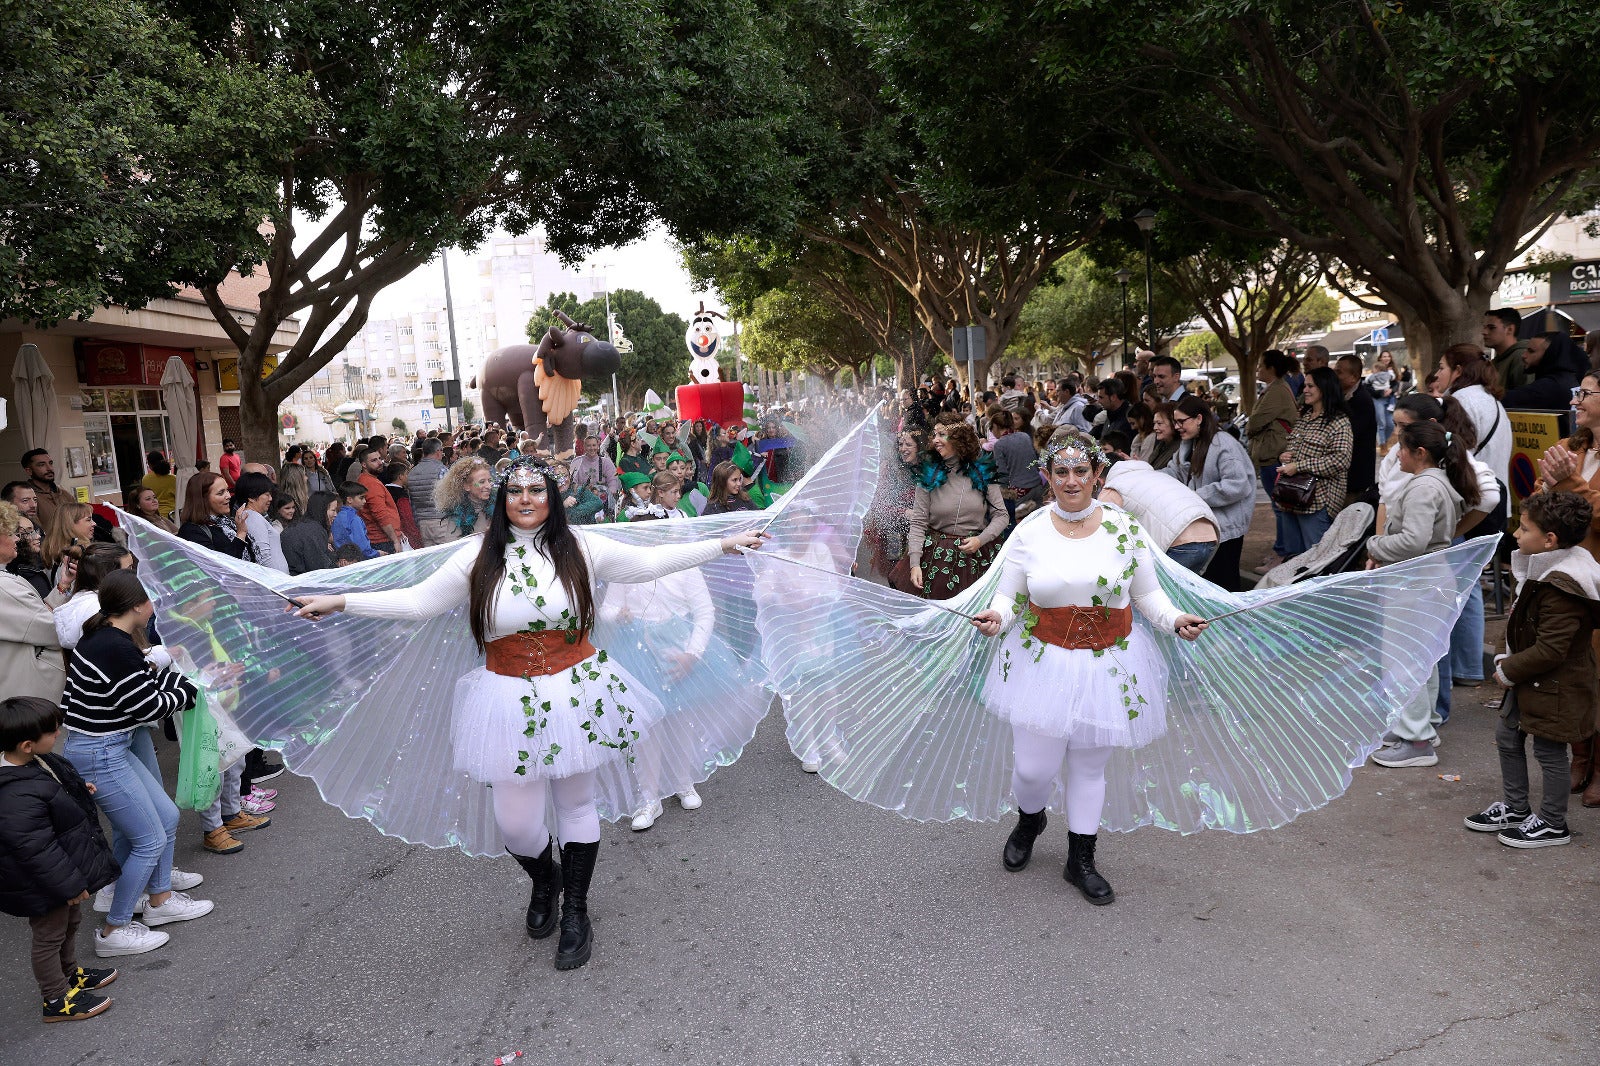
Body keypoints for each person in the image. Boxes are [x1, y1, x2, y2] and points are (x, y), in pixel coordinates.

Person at [288, 457, 765, 970]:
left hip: (576, 690)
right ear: (501, 498)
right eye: (515, 490)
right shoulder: (478, 555)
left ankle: (576, 909)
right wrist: (341, 601)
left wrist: (722, 544)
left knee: (576, 804)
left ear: (552, 497)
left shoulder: (579, 546)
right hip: (506, 696)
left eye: (537, 489)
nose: (526, 498)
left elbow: (647, 563)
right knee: (515, 824)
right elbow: (419, 602)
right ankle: (547, 880)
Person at [970, 431, 1208, 905]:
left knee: (1087, 767)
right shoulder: (1031, 529)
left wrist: (1174, 619)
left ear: (1098, 475)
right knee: (1034, 770)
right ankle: (1029, 817)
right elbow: (1010, 593)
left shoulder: (1124, 529)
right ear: (1048, 476)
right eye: (1062, 471)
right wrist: (998, 618)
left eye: (1082, 471)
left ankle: (1081, 858)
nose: (1072, 480)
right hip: (1043, 663)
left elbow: (1147, 594)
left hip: (1109, 665)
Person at [58, 570, 212, 958]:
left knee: (166, 818)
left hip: (108, 746)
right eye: (151, 600)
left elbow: (138, 687)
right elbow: (146, 707)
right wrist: (189, 689)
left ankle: (159, 901)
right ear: (137, 606)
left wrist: (172, 682)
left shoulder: (106, 638)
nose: (154, 606)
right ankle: (114, 930)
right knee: (149, 839)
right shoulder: (114, 646)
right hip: (99, 753)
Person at [1464, 492, 1600, 848]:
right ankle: (1516, 807)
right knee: (1508, 737)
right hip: (1528, 678)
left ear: (1549, 540)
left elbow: (1553, 649)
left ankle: (1554, 823)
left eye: (1524, 529)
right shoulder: (1541, 566)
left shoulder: (1563, 585)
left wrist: (1508, 669)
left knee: (1549, 751)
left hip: (1555, 685)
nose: (1517, 536)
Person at [0, 696, 121, 1023]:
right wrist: (68, 885)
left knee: (70, 923)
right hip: (42, 881)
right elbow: (34, 847)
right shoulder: (12, 794)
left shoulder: (35, 762)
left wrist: (80, 789)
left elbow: (54, 786)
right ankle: (55, 998)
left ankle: (69, 975)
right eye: (53, 732)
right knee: (49, 934)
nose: (59, 734)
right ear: (27, 744)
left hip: (60, 872)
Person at [1365, 421, 1478, 769]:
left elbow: (1413, 541)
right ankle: (1420, 728)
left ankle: (1416, 741)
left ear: (1420, 453)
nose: (1396, 453)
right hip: (1428, 579)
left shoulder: (1423, 488)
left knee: (1404, 661)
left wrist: (1375, 544)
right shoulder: (1436, 482)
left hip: (1416, 583)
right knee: (1422, 661)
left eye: (1401, 447)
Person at [1531, 370, 1600, 808]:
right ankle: (1581, 755)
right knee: (1573, 669)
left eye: (1586, 394)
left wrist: (1567, 485)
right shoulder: (1573, 448)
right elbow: (1546, 505)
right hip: (1565, 575)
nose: (1576, 401)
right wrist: (1547, 486)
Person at [906, 416, 1008, 600]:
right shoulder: (928, 475)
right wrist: (914, 563)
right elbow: (919, 522)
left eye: (942, 435)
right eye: (934, 434)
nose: (935, 439)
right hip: (934, 559)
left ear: (958, 438)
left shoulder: (982, 472)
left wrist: (981, 539)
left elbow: (1001, 515)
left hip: (975, 559)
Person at [1162, 395, 1255, 591]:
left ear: (1199, 419)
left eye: (1181, 421)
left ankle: (1232, 619)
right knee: (1210, 583)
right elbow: (1175, 471)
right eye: (1175, 422)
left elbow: (1237, 484)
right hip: (1209, 524)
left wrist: (1195, 496)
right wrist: (1148, 476)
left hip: (1227, 528)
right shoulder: (1190, 443)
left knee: (1225, 582)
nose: (1177, 427)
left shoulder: (1224, 444)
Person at [1100, 442, 1220, 576]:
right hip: (1209, 533)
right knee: (1183, 594)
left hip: (1180, 540)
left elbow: (1100, 532)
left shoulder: (1113, 486)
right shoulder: (1154, 475)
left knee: (1156, 594)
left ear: (1099, 480)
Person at [1277, 366, 1354, 558]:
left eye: (1310, 386)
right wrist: (1285, 456)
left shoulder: (1339, 421)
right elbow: (1294, 448)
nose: (1305, 390)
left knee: (1316, 561)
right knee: (1292, 559)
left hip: (1318, 503)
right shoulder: (1304, 418)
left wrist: (1299, 466)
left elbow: (1340, 460)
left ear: (1324, 387)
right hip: (1290, 498)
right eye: (1305, 385)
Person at [0, 501, 66, 701]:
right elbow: (55, 630)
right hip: (29, 697)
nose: (15, 539)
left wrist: (62, 586)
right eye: (11, 533)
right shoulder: (4, 587)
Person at [1248, 350, 1301, 574]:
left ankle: (1282, 553)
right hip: (1272, 453)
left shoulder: (1277, 390)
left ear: (1271, 368)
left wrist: (1252, 426)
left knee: (1280, 508)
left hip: (1274, 454)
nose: (1258, 369)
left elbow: (1255, 421)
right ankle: (1281, 550)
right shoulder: (1276, 388)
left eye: (1261, 365)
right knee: (1278, 507)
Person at [1442, 343, 1512, 491]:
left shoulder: (1460, 400)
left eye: (1441, 368)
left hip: (1473, 500)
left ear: (1458, 371)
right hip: (1496, 494)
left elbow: (1453, 454)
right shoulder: (1492, 399)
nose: (1437, 374)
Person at [1504, 330, 1583, 411]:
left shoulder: (1549, 387)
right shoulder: (1571, 379)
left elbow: (1509, 399)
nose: (1524, 355)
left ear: (1549, 355)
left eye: (1531, 351)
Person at [178, 472, 250, 560]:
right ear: (203, 499)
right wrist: (241, 533)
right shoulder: (191, 531)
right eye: (220, 493)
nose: (228, 496)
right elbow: (220, 565)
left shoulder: (226, 522)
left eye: (227, 490)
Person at [1334, 355, 1377, 500]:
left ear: (1354, 377)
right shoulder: (1343, 395)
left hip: (1356, 479)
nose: (1335, 376)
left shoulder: (1362, 400)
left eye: (1339, 372)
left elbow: (1348, 435)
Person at [989, 409, 1043, 522]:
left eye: (991, 428)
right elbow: (1035, 459)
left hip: (1020, 491)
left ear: (996, 426)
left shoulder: (999, 445)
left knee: (1017, 525)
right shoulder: (1024, 436)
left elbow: (1002, 473)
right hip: (1037, 485)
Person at [233, 472, 288, 573]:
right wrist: (278, 580)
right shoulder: (252, 517)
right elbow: (263, 557)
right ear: (251, 497)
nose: (270, 499)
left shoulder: (253, 516)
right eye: (267, 495)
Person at [351, 446, 403, 553]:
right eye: (374, 460)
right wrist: (395, 540)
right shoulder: (371, 483)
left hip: (380, 538)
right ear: (364, 465)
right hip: (382, 540)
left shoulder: (366, 480)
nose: (380, 462)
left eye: (380, 458)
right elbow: (380, 515)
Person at [282, 491, 340, 575]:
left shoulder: (303, 525)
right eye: (333, 510)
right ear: (322, 510)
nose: (336, 515)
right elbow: (318, 567)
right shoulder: (313, 531)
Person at [409, 439, 449, 546]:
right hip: (441, 521)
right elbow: (450, 496)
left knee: (432, 559)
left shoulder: (412, 472)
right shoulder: (442, 470)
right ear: (438, 451)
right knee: (447, 557)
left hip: (422, 523)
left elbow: (412, 501)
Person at [1484, 307, 1531, 395]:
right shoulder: (1497, 360)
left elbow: (1525, 399)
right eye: (1484, 327)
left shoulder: (1521, 357)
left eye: (1491, 328)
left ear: (1510, 329)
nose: (1484, 332)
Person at [331, 482, 383, 560]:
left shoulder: (338, 516)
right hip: (356, 559)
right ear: (349, 499)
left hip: (341, 558)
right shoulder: (354, 519)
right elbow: (362, 547)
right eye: (361, 498)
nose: (365, 501)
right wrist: (377, 553)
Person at [20, 450, 66, 532]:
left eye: (50, 463)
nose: (49, 468)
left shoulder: (65, 494)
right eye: (42, 465)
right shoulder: (26, 499)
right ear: (29, 471)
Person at [383, 463, 424, 548]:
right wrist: (416, 536)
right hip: (403, 534)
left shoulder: (384, 490)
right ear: (400, 476)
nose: (408, 476)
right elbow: (407, 518)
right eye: (406, 474)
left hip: (388, 532)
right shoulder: (401, 495)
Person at [1368, 351, 1398, 445]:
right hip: (1378, 399)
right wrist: (1380, 393)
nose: (1386, 358)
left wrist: (1391, 390)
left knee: (1391, 424)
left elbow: (1396, 383)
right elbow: (1368, 385)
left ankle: (1384, 440)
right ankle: (1383, 444)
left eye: (1388, 356)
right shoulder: (1375, 370)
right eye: (1384, 356)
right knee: (1381, 423)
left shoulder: (1392, 371)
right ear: (1380, 358)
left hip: (1390, 400)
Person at [140, 453, 177, 520]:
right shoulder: (173, 479)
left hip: (155, 516)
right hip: (173, 515)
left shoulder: (146, 479)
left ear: (150, 464)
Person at [1147, 403, 1181, 473]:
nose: (1155, 428)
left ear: (1173, 423)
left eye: (1159, 423)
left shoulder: (1180, 449)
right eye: (1154, 424)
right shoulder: (1161, 445)